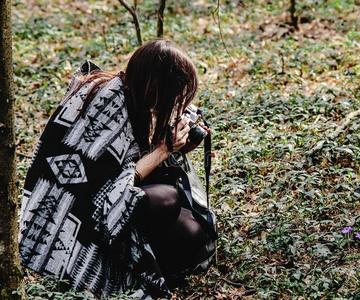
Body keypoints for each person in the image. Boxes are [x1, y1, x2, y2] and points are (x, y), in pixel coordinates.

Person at [18, 38, 216, 298]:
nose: (176, 103)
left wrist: (178, 148)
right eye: (174, 95)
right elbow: (111, 186)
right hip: (79, 214)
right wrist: (164, 150)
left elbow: (132, 162)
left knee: (195, 231)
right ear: (156, 85)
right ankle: (130, 261)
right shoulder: (106, 101)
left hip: (115, 202)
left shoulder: (136, 98)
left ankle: (148, 257)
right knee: (169, 198)